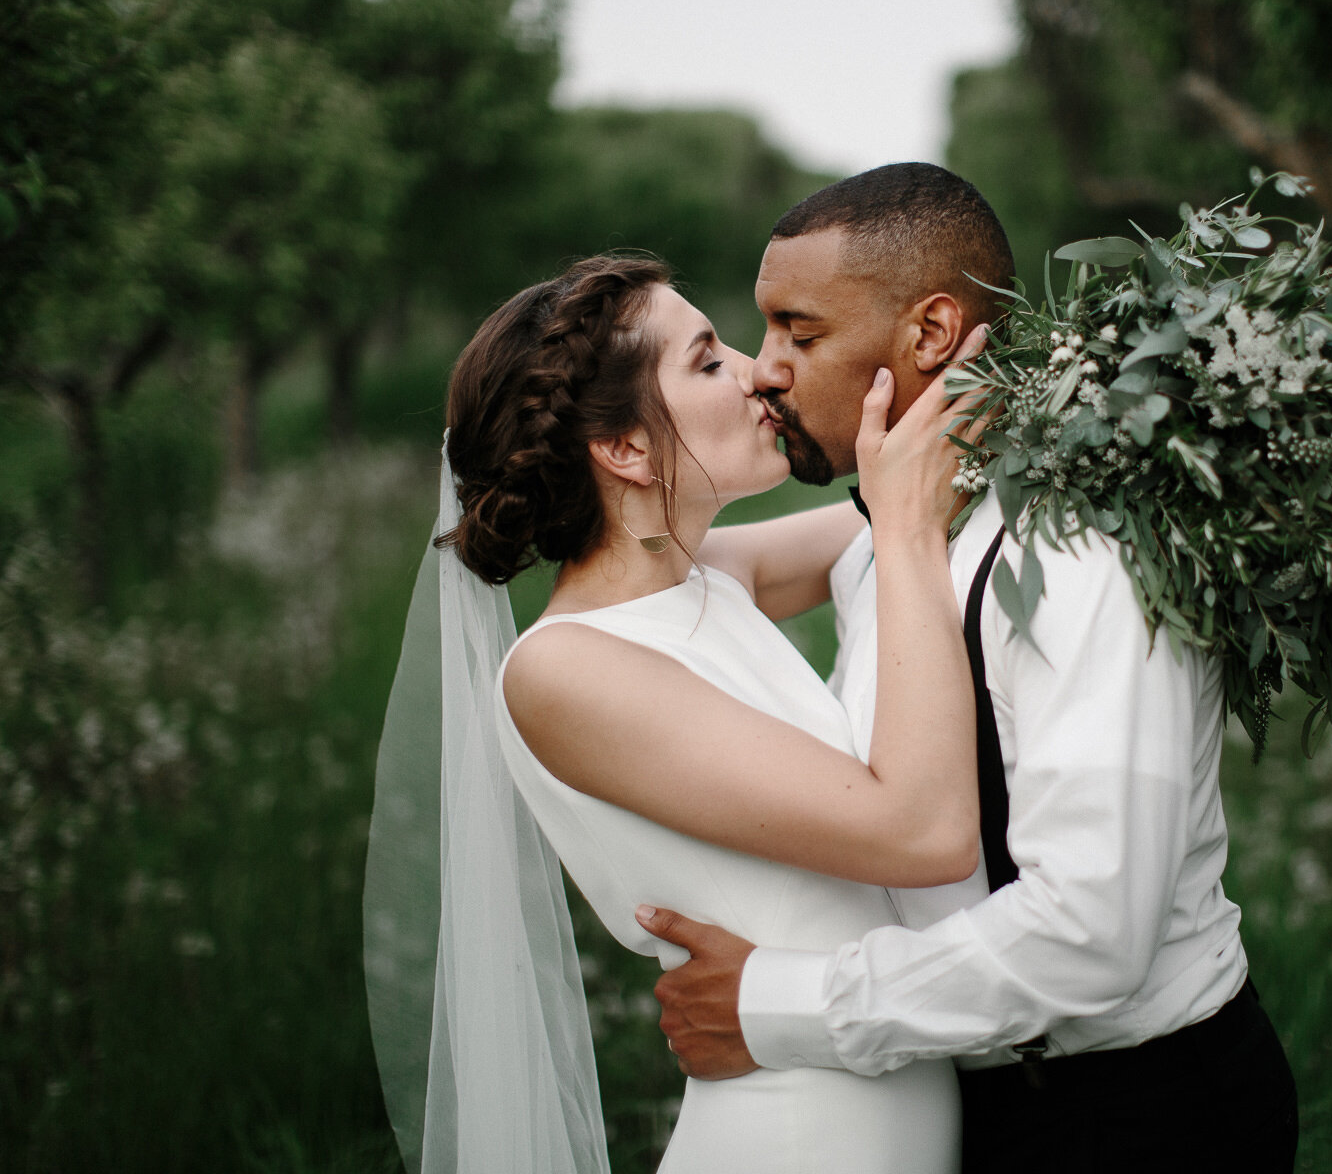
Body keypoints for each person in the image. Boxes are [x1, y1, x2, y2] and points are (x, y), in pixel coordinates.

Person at [640, 162, 1301, 1171]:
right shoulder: (886, 537)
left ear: (932, 335)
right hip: (978, 1102)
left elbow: (1090, 932)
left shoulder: (1076, 555)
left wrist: (778, 1004)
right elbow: (657, 574)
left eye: (799, 332)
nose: (767, 367)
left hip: (1134, 1115)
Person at [364, 251, 998, 1174]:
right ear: (624, 449)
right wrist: (904, 524)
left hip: (878, 1105)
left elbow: (924, 494)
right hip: (798, 1137)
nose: (758, 372)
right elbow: (924, 830)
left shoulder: (712, 579)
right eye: (708, 361)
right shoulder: (567, 670)